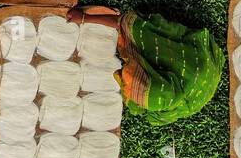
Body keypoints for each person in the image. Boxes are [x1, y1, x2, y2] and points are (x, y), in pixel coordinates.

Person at [70, 7, 225, 126]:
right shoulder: (157, 44)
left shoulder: (167, 107)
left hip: (198, 86)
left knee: (151, 103)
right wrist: (84, 17)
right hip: (200, 61)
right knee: (149, 30)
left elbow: (146, 109)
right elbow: (123, 23)